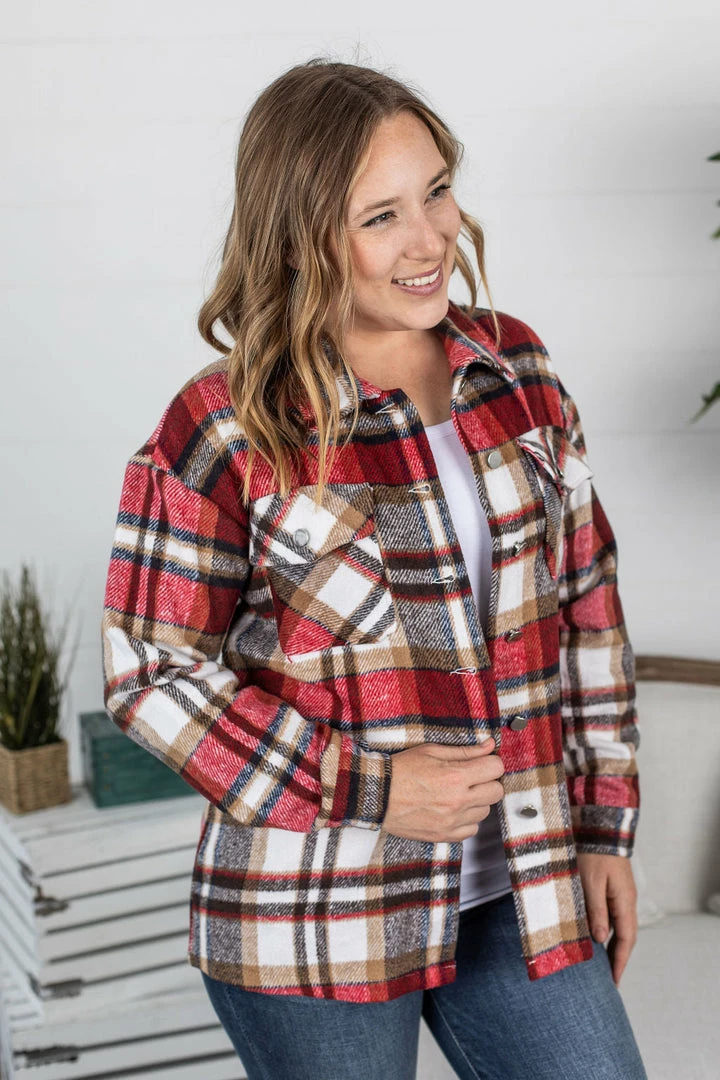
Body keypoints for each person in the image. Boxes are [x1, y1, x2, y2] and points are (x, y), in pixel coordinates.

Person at [100, 58, 648, 1080]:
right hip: (314, 918)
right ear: (302, 237)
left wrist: (604, 827)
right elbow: (150, 674)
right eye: (380, 216)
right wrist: (371, 789)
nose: (430, 239)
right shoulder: (225, 426)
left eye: (436, 191)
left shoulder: (517, 372)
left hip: (522, 888)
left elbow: (587, 605)